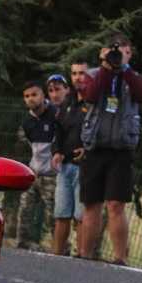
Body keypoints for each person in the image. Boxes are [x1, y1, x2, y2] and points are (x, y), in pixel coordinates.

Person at [78, 34, 142, 265]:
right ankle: (85, 255)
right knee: (92, 203)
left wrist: (124, 69)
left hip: (121, 148)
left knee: (116, 204)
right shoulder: (94, 74)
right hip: (96, 146)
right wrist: (106, 68)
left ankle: (120, 259)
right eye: (115, 51)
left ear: (130, 53)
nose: (119, 55)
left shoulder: (133, 77)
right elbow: (90, 96)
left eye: (124, 52)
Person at [13, 80, 59, 250]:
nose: (30, 99)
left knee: (53, 214)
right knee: (25, 208)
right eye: (26, 96)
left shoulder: (56, 115)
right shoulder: (26, 122)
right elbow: (25, 146)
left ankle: (59, 247)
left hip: (52, 175)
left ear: (43, 95)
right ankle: (21, 243)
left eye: (34, 94)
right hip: (33, 173)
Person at [50, 72, 88, 255]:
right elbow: (57, 130)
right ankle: (57, 255)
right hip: (65, 166)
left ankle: (81, 255)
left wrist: (88, 149)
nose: (78, 77)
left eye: (82, 73)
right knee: (61, 213)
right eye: (74, 73)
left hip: (85, 167)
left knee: (81, 216)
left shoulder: (94, 102)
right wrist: (56, 152)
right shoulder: (66, 103)